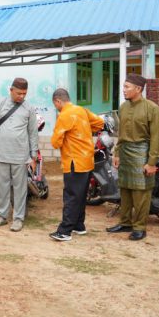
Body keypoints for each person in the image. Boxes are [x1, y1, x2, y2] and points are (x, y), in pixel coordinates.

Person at [106, 74, 159, 241]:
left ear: (138, 89)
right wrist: (116, 153)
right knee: (124, 190)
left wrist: (151, 162)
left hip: (142, 153)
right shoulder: (123, 107)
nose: (123, 90)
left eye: (126, 87)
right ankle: (125, 222)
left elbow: (156, 138)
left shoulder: (152, 108)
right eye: (123, 87)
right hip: (125, 152)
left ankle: (139, 227)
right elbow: (121, 134)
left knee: (141, 193)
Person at [48, 88, 104, 241]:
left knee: (71, 196)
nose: (56, 107)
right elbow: (99, 123)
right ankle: (79, 226)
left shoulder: (64, 115)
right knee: (80, 195)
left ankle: (65, 231)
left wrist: (65, 138)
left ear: (58, 101)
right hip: (87, 160)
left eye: (55, 104)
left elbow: (55, 142)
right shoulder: (82, 110)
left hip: (73, 161)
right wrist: (84, 129)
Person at [0, 77, 38, 232]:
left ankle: (18, 218)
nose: (21, 96)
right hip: (1, 155)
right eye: (18, 93)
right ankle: (1, 216)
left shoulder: (29, 108)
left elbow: (32, 133)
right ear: (11, 90)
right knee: (2, 187)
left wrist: (33, 157)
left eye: (24, 94)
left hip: (21, 157)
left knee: (20, 188)